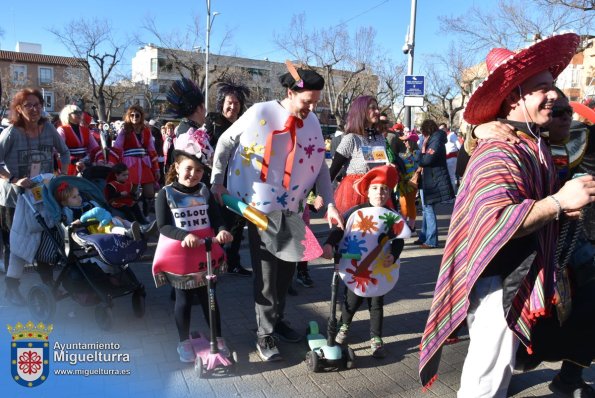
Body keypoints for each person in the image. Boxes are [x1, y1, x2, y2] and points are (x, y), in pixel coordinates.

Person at [418, 33, 595, 397]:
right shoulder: (500, 151)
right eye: (542, 87)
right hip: (500, 281)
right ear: (515, 97)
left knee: (497, 369)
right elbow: (495, 220)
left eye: (553, 86)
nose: (555, 95)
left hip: (520, 276)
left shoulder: (533, 142)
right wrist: (559, 202)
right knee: (485, 381)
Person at [210, 63, 342, 362]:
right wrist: (217, 181)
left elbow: (319, 163)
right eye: (307, 101)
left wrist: (330, 202)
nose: (312, 108)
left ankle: (277, 320)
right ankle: (264, 333)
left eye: (316, 102)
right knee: (268, 276)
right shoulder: (261, 112)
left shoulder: (312, 123)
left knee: (287, 273)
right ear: (290, 92)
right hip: (261, 209)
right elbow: (225, 141)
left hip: (293, 209)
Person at [472, 91, 595, 397]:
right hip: (508, 265)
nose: (565, 116)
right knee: (493, 357)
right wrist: (476, 129)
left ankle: (566, 374)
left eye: (568, 111)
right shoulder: (510, 144)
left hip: (561, 250)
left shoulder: (572, 139)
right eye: (557, 111)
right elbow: (497, 219)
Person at [152, 123, 233, 363]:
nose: (193, 175)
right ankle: (183, 341)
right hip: (180, 256)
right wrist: (183, 236)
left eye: (199, 170)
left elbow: (217, 219)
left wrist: (223, 231)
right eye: (189, 169)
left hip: (205, 254)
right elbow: (163, 226)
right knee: (184, 299)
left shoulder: (205, 192)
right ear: (177, 167)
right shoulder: (165, 193)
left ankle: (217, 337)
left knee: (209, 297)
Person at [322, 165, 409, 358]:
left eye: (384, 189)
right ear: (367, 191)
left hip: (379, 269)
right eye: (376, 188)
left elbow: (399, 240)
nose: (380, 192)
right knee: (351, 301)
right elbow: (339, 229)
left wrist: (393, 256)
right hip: (355, 267)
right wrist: (329, 244)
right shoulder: (356, 212)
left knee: (376, 304)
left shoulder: (391, 217)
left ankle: (376, 338)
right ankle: (344, 326)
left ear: (389, 193)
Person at [0, 88, 70, 305]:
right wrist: (13, 179)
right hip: (13, 198)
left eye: (38, 104)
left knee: (44, 238)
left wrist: (62, 175)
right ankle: (12, 289)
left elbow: (65, 152)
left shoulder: (49, 128)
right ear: (19, 109)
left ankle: (48, 286)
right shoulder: (11, 133)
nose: (34, 109)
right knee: (16, 243)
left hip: (40, 197)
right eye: (28, 105)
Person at [204, 81, 252, 277]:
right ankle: (215, 262)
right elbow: (203, 148)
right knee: (218, 224)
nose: (232, 107)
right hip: (216, 182)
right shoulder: (213, 121)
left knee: (238, 224)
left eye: (237, 104)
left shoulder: (245, 125)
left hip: (238, 182)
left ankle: (233, 262)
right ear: (222, 103)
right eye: (229, 103)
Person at [329, 95, 390, 215]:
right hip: (354, 193)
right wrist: (321, 196)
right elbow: (333, 170)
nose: (377, 112)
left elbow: (380, 165)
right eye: (372, 108)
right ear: (361, 111)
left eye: (377, 108)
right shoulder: (351, 138)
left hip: (377, 192)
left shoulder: (380, 139)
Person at [413, 119, 454, 249]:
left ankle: (431, 240)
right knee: (426, 209)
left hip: (433, 179)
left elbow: (427, 160)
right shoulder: (434, 139)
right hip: (429, 178)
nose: (423, 135)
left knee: (429, 209)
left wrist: (418, 155)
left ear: (427, 130)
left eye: (423, 132)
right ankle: (424, 237)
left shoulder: (435, 140)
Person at [113, 105, 160, 216]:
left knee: (150, 192)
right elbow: (117, 147)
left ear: (141, 116)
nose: (134, 117)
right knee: (131, 190)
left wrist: (156, 168)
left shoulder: (146, 130)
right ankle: (132, 215)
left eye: (137, 115)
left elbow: (152, 150)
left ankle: (146, 215)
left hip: (144, 163)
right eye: (132, 115)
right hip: (129, 164)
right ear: (129, 116)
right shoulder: (125, 130)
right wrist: (117, 166)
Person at [55, 182, 143, 240]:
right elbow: (69, 225)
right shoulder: (68, 210)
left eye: (78, 195)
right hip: (90, 229)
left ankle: (139, 229)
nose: (78, 198)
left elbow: (102, 212)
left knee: (118, 218)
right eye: (74, 197)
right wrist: (77, 223)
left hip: (102, 222)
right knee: (111, 228)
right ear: (64, 202)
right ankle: (128, 232)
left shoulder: (90, 203)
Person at [57, 104, 99, 176]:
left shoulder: (85, 130)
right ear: (68, 115)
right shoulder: (62, 129)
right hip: (69, 164)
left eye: (80, 112)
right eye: (76, 112)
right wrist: (75, 161)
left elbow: (95, 147)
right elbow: (59, 151)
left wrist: (97, 155)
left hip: (85, 164)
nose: (79, 114)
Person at [397, 130, 421, 231]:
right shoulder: (404, 153)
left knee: (410, 204)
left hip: (411, 183)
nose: (404, 142)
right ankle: (404, 225)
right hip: (403, 183)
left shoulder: (417, 153)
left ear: (411, 142)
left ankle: (410, 226)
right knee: (403, 204)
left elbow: (419, 168)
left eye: (406, 140)